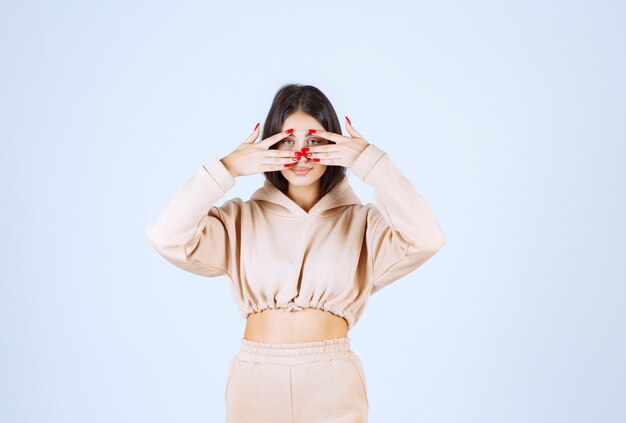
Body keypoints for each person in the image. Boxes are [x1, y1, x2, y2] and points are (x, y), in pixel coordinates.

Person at [146, 83, 446, 422]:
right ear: (268, 145)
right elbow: (166, 236)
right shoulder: (240, 218)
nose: (300, 154)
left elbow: (425, 239)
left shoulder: (363, 223)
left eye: (315, 141)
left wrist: (370, 163)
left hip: (332, 380)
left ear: (337, 144)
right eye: (287, 140)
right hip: (256, 379)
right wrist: (226, 167)